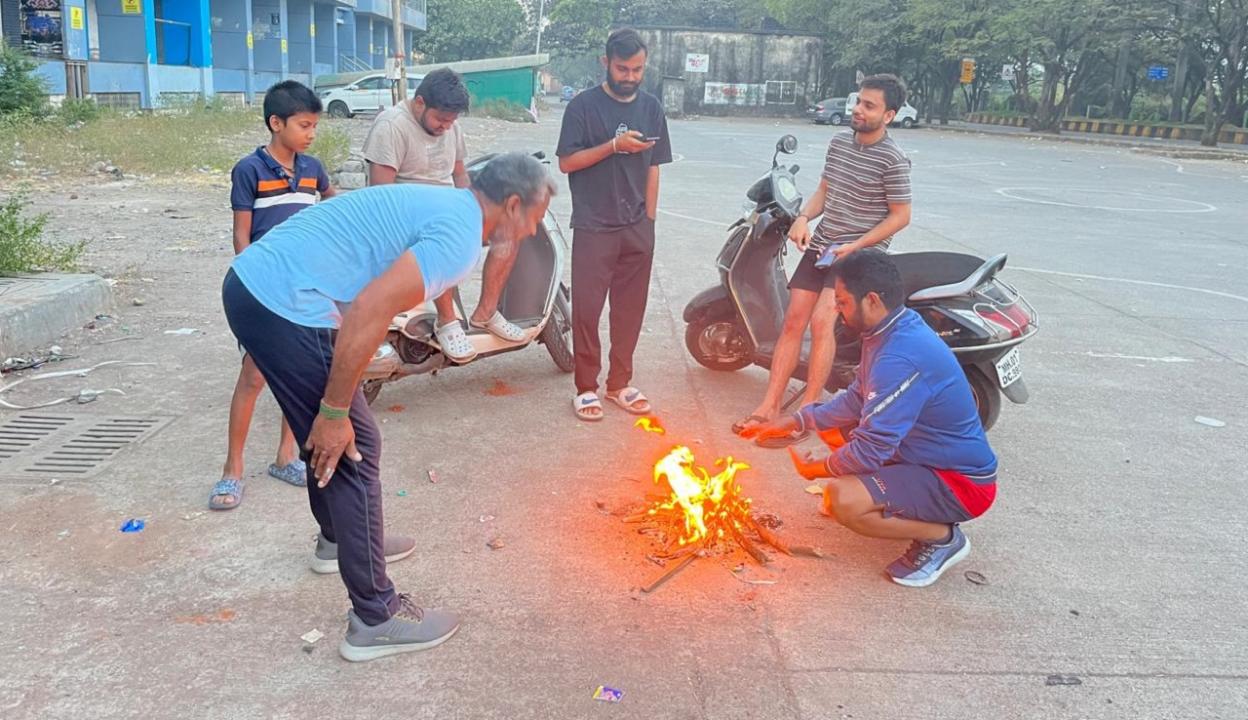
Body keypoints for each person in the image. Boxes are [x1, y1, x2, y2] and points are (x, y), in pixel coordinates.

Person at [222, 153, 555, 661]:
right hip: (280, 302)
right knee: (353, 445)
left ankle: (341, 539)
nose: (532, 231)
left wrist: (330, 411)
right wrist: (334, 413)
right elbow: (371, 309)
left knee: (337, 431)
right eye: (534, 217)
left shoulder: (451, 207)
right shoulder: (458, 239)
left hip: (257, 285)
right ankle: (374, 617)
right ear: (512, 206)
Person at [742, 250, 997, 587]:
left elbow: (871, 449)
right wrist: (796, 422)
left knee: (842, 501)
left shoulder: (900, 355)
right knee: (839, 430)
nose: (836, 309)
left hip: (960, 483)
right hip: (920, 456)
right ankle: (897, 498)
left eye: (843, 302)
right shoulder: (889, 329)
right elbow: (857, 398)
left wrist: (817, 469)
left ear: (873, 300)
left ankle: (942, 537)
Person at [733, 74, 912, 447]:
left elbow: (900, 215)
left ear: (889, 115)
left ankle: (809, 411)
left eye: (869, 106)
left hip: (860, 256)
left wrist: (857, 245)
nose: (858, 110)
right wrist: (802, 218)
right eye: (858, 102)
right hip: (824, 245)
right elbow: (825, 191)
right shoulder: (839, 144)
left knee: (821, 320)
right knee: (793, 320)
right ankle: (769, 405)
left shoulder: (893, 160)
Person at [210, 80, 336, 511]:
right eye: (304, 125)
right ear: (275, 123)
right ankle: (232, 470)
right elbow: (241, 238)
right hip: (264, 290)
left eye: (315, 126)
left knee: (297, 374)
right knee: (253, 377)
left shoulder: (314, 169)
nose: (311, 133)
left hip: (305, 290)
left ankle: (286, 457)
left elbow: (336, 215)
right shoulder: (249, 170)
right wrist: (256, 290)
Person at [362, 67, 526, 363]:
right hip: (406, 214)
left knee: (509, 230)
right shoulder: (391, 126)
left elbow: (460, 174)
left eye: (451, 121)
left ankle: (486, 312)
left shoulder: (451, 126)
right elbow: (380, 195)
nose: (445, 127)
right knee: (446, 237)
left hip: (448, 205)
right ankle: (447, 321)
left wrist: (479, 210)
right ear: (420, 103)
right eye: (440, 119)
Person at [556, 27, 672, 422]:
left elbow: (654, 167)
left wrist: (650, 222)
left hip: (637, 227)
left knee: (630, 311)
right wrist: (613, 147)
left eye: (637, 69)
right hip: (593, 225)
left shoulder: (652, 107)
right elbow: (567, 162)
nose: (630, 77)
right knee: (587, 312)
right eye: (622, 69)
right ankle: (586, 387)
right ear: (605, 63)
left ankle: (619, 384)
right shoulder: (583, 108)